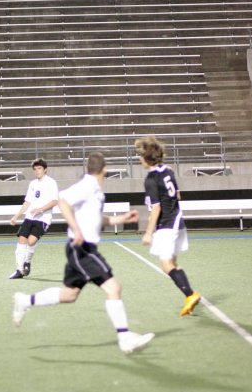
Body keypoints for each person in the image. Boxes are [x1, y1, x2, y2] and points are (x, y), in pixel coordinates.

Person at [13, 152, 155, 355]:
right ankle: (124, 338)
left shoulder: (95, 188)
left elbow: (96, 218)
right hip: (82, 249)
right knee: (114, 287)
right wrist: (76, 229)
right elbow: (62, 201)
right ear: (104, 169)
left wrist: (121, 219)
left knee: (69, 295)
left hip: (82, 249)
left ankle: (25, 301)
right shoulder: (88, 185)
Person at [135, 135, 200, 316]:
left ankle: (190, 294)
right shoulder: (168, 171)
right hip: (178, 221)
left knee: (166, 265)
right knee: (173, 262)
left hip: (166, 225)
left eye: (140, 156)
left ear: (147, 158)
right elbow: (177, 195)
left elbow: (156, 208)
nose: (139, 159)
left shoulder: (151, 179)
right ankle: (189, 296)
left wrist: (148, 233)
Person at [9, 158, 59, 279]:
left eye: (39, 168)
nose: (37, 171)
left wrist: (40, 209)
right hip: (29, 217)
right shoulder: (32, 184)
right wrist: (16, 216)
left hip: (43, 218)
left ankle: (27, 261)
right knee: (21, 240)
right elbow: (27, 202)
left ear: (45, 169)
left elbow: (55, 201)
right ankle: (19, 270)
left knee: (31, 241)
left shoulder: (51, 182)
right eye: (35, 169)